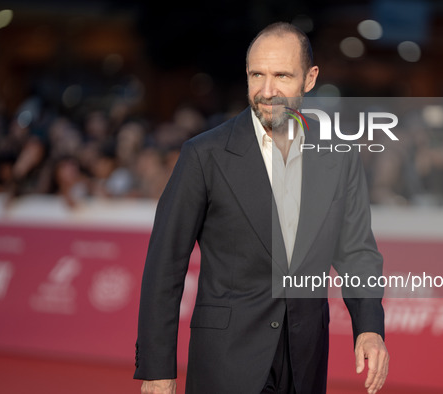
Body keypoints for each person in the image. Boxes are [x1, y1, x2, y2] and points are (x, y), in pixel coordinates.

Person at [134, 22, 388, 394]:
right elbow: (165, 265)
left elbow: (357, 251)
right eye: (257, 75)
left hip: (305, 358)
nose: (267, 91)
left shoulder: (339, 155)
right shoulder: (205, 155)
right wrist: (157, 369)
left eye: (282, 75)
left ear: (309, 78)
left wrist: (369, 326)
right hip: (226, 359)